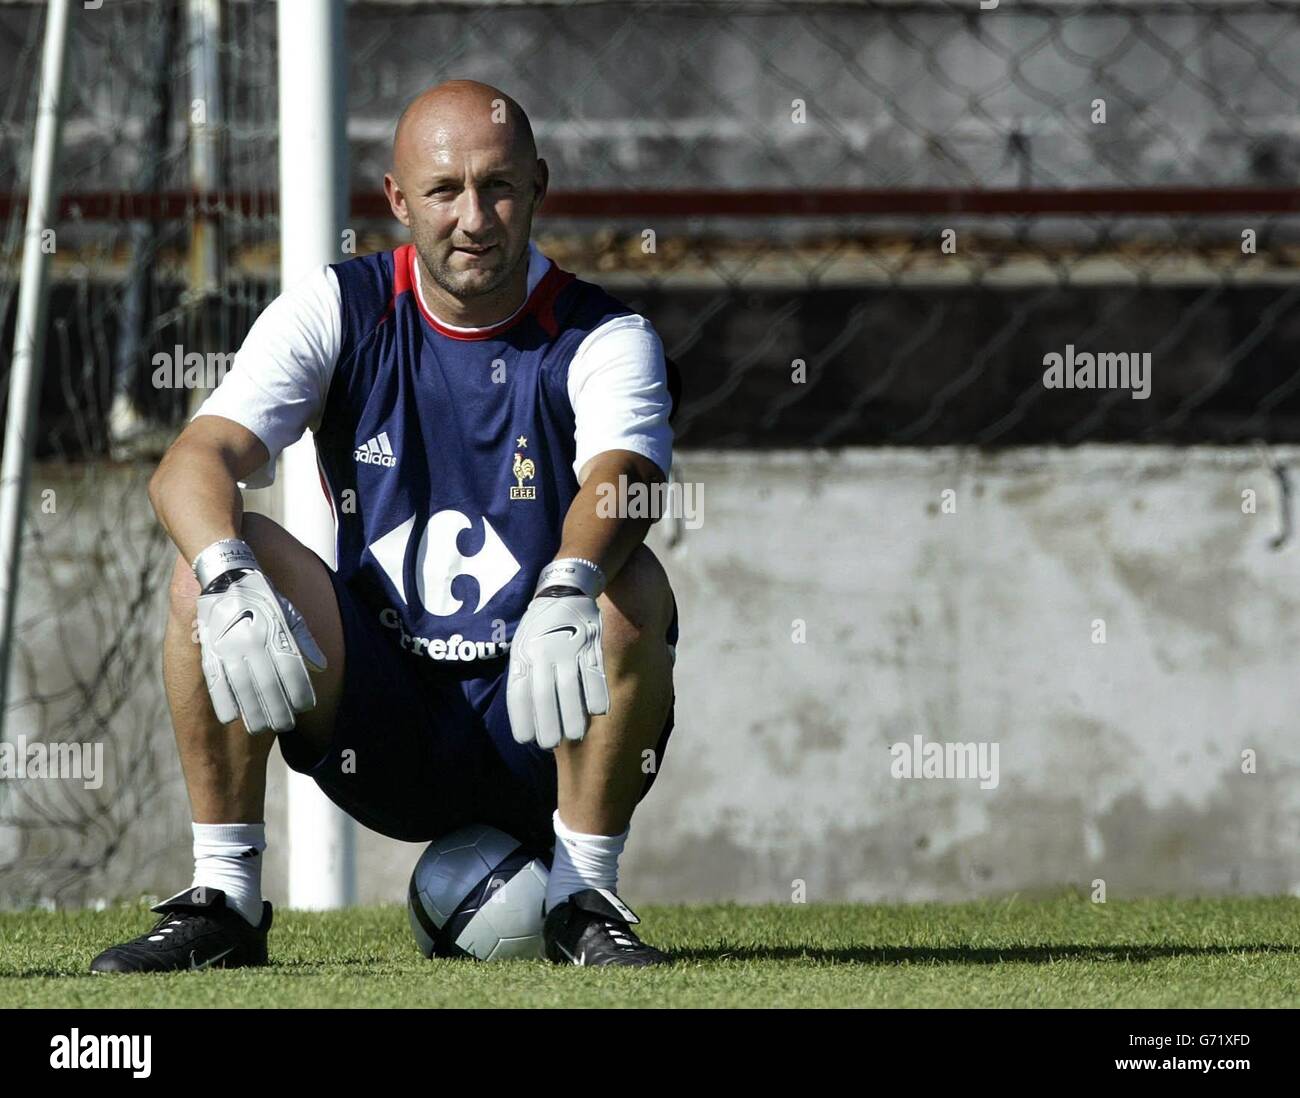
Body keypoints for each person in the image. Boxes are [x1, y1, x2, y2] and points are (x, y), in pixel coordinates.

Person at [90, 79, 680, 971]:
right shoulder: (338, 310)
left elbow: (625, 479)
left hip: (540, 707)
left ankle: (583, 898)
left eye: (500, 186)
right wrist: (225, 576)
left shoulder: (603, 334)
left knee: (631, 587)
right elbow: (193, 460)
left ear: (540, 187)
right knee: (205, 570)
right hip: (380, 717)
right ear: (399, 201)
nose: (474, 217)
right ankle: (225, 901)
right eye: (444, 191)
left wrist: (568, 582)